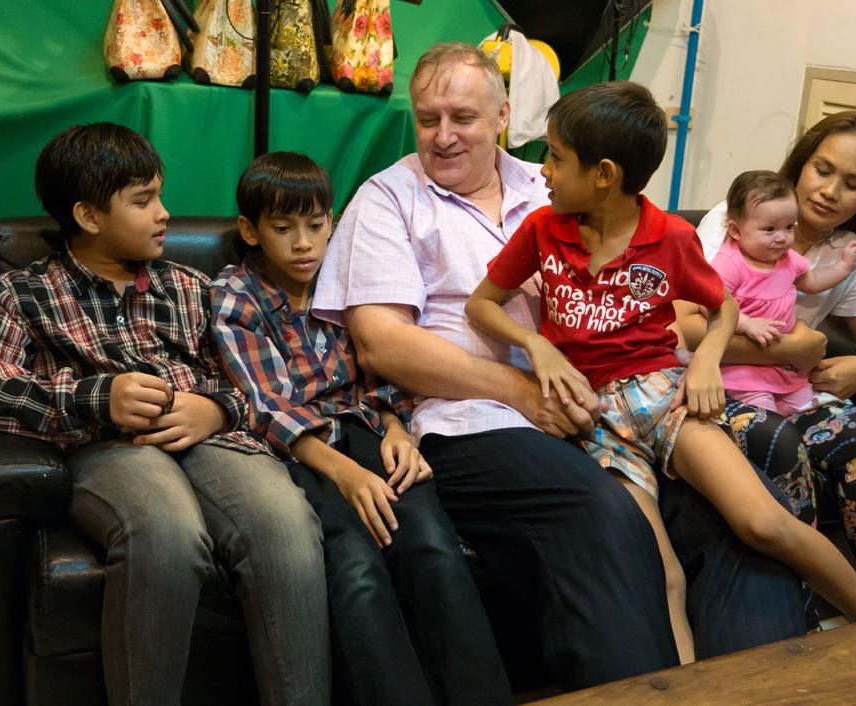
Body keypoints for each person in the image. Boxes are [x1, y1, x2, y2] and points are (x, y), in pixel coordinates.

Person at [312, 41, 808, 691]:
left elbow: (669, 291)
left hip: (610, 404)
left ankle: (765, 691)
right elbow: (382, 343)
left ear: (502, 117)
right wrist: (521, 390)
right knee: (600, 512)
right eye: (427, 117)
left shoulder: (560, 181)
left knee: (746, 524)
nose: (442, 136)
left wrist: (698, 360)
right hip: (473, 420)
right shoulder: (390, 199)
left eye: (462, 117)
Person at [465, 82, 856, 660]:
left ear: (604, 173)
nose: (543, 171)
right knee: (660, 574)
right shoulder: (543, 230)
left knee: (763, 523)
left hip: (664, 397)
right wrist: (539, 349)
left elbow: (723, 308)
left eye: (557, 157)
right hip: (595, 423)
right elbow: (481, 304)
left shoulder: (671, 237)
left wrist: (709, 358)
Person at [0, 123, 329, 706]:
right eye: (143, 201)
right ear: (87, 216)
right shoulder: (18, 294)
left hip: (214, 442)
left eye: (161, 194)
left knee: (286, 524)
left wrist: (215, 409)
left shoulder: (189, 285)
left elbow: (254, 380)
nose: (164, 213)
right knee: (166, 531)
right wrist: (95, 397)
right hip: (108, 448)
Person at [210, 151, 512, 706]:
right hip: (301, 455)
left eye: (317, 225)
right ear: (251, 231)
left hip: (370, 431)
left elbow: (380, 368)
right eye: (283, 228)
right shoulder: (235, 295)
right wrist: (347, 475)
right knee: (355, 569)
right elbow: (267, 407)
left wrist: (398, 428)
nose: (304, 243)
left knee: (433, 548)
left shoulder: (346, 275)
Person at [680, 110, 856, 612]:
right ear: (801, 165)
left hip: (791, 389)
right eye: (822, 170)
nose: (830, 191)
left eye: (852, 184)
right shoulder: (736, 220)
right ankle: (795, 617)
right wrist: (792, 349)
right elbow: (687, 329)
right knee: (781, 444)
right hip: (719, 383)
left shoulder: (851, 255)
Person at [712, 170, 856, 416]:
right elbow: (712, 305)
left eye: (789, 227)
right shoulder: (730, 263)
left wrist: (843, 267)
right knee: (765, 422)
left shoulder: (787, 259)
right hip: (742, 369)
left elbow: (813, 281)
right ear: (736, 231)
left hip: (783, 369)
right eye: (770, 229)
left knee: (810, 411)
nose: (782, 238)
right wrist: (747, 324)